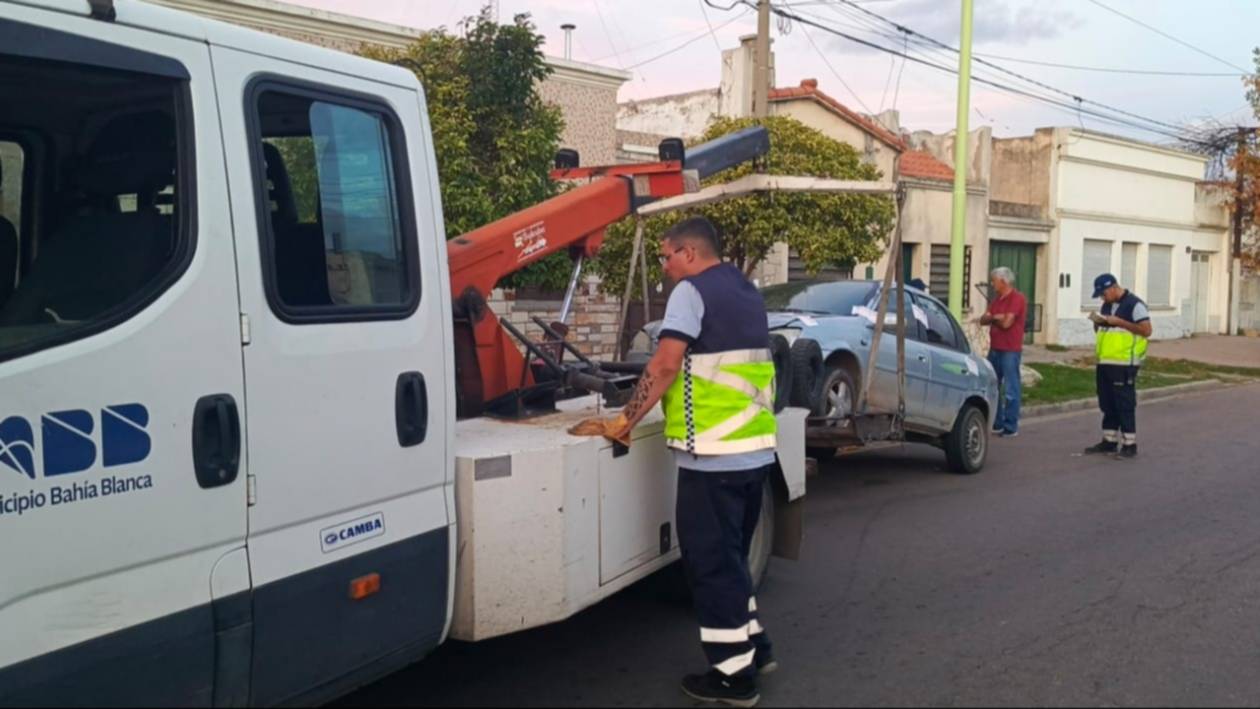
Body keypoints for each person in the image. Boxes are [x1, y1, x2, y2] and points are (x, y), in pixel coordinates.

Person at [609, 216, 777, 708]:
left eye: (666, 256)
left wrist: (625, 419)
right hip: (753, 453)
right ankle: (755, 647)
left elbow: (665, 363)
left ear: (688, 252)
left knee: (711, 567)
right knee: (732, 560)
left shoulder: (690, 292)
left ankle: (733, 678)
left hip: (712, 459)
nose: (664, 266)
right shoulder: (746, 290)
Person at [1084, 273, 1152, 459]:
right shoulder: (1107, 305)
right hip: (1105, 361)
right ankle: (1109, 441)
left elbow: (1146, 330)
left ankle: (1129, 444)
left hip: (1124, 363)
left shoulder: (1134, 305)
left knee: (1124, 404)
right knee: (1107, 402)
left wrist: (1120, 322)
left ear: (1113, 288)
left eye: (1103, 294)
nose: (1102, 298)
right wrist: (1098, 323)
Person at [978, 267, 1027, 437]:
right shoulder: (997, 300)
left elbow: (1007, 323)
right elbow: (983, 319)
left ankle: (1010, 425)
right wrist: (997, 317)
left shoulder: (1017, 298)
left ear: (1003, 281)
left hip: (1010, 349)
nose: (992, 284)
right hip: (995, 348)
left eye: (994, 281)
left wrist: (994, 317)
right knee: (993, 385)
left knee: (1011, 388)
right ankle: (997, 422)